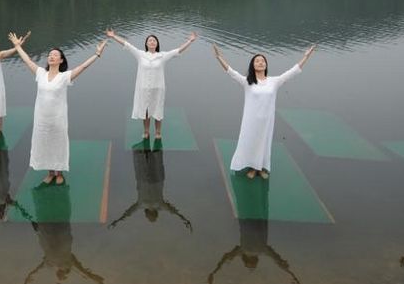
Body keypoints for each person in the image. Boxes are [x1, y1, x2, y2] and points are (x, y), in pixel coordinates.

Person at [8, 32, 107, 185]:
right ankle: (50, 172)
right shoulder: (40, 73)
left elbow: (83, 67)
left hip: (58, 118)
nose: (52, 56)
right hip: (41, 118)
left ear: (61, 60)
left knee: (58, 143)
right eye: (50, 55)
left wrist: (97, 54)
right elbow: (27, 60)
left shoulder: (64, 76)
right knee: (44, 142)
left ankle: (59, 172)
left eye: (55, 55)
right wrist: (17, 46)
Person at [212, 44, 315, 179]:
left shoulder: (274, 81)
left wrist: (306, 56)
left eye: (263, 61)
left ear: (266, 65)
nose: (261, 62)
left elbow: (293, 71)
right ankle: (252, 167)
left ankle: (261, 168)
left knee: (264, 143)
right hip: (251, 120)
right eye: (257, 61)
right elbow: (231, 72)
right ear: (253, 65)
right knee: (250, 141)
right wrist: (219, 57)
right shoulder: (247, 82)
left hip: (267, 120)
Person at [105, 29, 197, 140]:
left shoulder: (162, 56)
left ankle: (158, 132)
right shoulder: (140, 54)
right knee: (146, 110)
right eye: (150, 40)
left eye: (154, 40)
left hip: (158, 88)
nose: (152, 42)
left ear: (157, 43)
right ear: (146, 44)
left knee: (158, 110)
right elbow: (127, 45)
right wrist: (114, 36)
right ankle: (146, 131)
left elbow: (178, 51)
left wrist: (190, 41)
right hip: (144, 87)